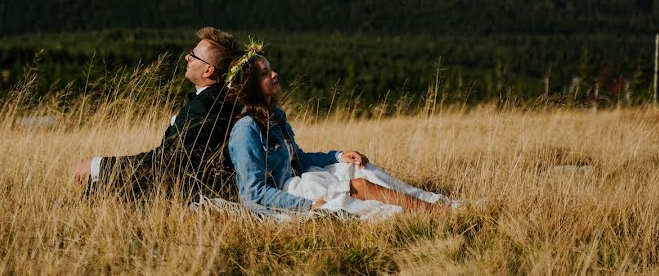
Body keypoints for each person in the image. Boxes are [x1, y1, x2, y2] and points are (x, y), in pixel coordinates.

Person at [226, 42, 454, 219]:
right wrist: (308, 205)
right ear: (251, 85)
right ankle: (431, 212)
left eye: (270, 69)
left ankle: (438, 203)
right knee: (359, 187)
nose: (274, 74)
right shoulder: (246, 130)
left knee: (357, 168)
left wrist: (337, 156)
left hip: (303, 179)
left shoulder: (276, 118)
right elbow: (253, 192)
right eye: (265, 73)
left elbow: (300, 159)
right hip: (288, 196)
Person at [74, 27, 242, 199]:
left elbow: (165, 162)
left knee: (99, 187)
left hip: (187, 195)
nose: (187, 57)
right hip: (194, 188)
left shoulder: (204, 106)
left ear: (208, 70)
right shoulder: (222, 100)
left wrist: (98, 166)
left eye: (193, 55)